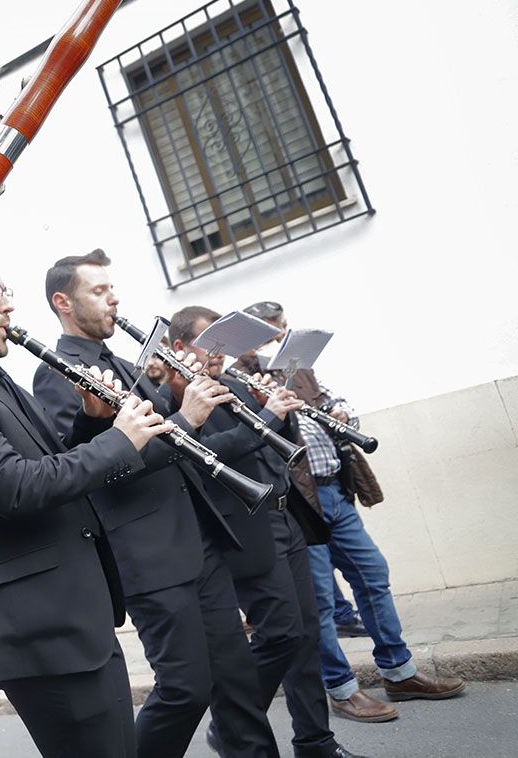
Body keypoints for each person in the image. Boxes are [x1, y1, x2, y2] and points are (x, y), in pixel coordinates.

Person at [0, 241, 173, 758]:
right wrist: (119, 440)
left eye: (4, 291)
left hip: (76, 619)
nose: (8, 304)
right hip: (41, 633)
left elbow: (55, 471)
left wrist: (93, 419)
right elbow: (17, 488)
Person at [31, 250, 277, 758]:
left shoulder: (125, 361)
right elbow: (92, 470)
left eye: (111, 288)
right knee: (185, 690)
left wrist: (179, 385)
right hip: (149, 555)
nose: (113, 298)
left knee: (239, 680)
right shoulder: (59, 374)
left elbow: (170, 436)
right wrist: (186, 417)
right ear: (63, 303)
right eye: (98, 291)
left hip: (196, 538)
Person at [238, 301, 466, 722]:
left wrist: (340, 411)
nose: (281, 336)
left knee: (372, 574)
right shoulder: (243, 377)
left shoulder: (298, 369)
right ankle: (342, 689)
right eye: (273, 331)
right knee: (321, 601)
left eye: (283, 328)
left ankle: (399, 672)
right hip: (299, 501)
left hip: (334, 491)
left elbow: (332, 398)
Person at [166, 306, 365, 758]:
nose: (221, 356)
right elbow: (207, 456)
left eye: (225, 346)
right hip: (245, 525)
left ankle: (316, 741)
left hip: (284, 513)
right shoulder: (180, 399)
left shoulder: (234, 385)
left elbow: (278, 446)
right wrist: (268, 418)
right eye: (210, 345)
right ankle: (235, 721)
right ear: (180, 347)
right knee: (280, 633)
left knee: (309, 633)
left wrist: (280, 407)